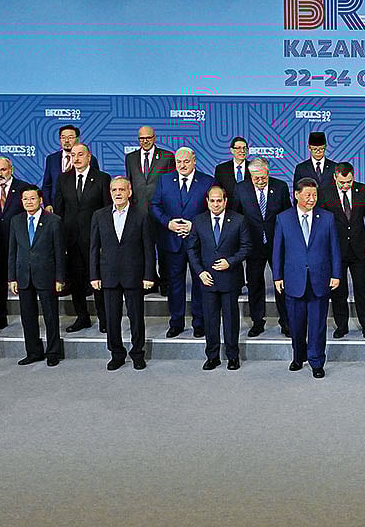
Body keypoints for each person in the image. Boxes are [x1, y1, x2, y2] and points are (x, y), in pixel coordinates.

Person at [273, 178, 342, 379]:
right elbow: (278, 251)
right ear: (296, 195)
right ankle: (298, 357)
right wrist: (277, 276)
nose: (312, 199)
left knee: (318, 324)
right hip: (293, 279)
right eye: (307, 195)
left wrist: (336, 274)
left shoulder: (327, 218)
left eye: (314, 195)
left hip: (320, 279)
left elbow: (334, 249)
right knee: (295, 324)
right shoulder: (283, 218)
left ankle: (316, 361)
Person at [89, 177, 156, 371]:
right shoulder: (99, 216)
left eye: (121, 190)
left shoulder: (141, 215)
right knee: (112, 318)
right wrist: (94, 275)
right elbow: (94, 248)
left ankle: (137, 353)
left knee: (136, 317)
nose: (117, 193)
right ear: (110, 193)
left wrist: (149, 275)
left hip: (134, 275)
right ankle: (116, 354)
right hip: (108, 276)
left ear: (130, 192)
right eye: (114, 190)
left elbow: (148, 249)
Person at [150, 146, 214, 338]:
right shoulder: (165, 180)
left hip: (198, 243)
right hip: (171, 241)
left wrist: (193, 226)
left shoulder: (207, 181)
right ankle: (176, 322)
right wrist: (168, 223)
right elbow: (155, 205)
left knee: (198, 284)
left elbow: (213, 210)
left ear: (194, 161)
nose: (182, 165)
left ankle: (199, 322)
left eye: (186, 161)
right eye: (179, 162)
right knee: (175, 285)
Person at [187, 186, 252, 371]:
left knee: (231, 320)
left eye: (219, 200)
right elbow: (192, 249)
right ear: (207, 202)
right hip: (207, 279)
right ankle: (212, 357)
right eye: (212, 201)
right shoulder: (198, 221)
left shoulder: (239, 220)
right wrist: (200, 272)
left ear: (225, 201)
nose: (215, 204)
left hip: (230, 279)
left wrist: (230, 262)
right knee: (210, 320)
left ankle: (233, 357)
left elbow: (246, 247)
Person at [54, 142, 111, 333]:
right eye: (73, 155)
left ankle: (105, 319)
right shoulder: (63, 179)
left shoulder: (102, 178)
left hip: (95, 240)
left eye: (80, 155)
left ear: (89, 157)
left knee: (98, 281)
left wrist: (105, 240)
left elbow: (107, 211)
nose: (76, 158)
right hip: (71, 240)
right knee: (77, 282)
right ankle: (82, 317)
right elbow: (59, 211)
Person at [231, 157, 291, 337]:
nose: (259, 181)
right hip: (253, 245)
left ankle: (286, 322)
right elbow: (235, 216)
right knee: (255, 284)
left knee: (281, 283)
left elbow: (288, 215)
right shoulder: (241, 189)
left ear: (268, 172)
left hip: (277, 244)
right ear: (250, 175)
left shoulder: (280, 187)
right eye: (255, 178)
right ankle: (258, 322)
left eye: (262, 177)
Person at [8, 187, 65, 366]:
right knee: (28, 317)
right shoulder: (16, 221)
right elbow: (12, 251)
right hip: (23, 275)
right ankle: (33, 352)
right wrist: (12, 278)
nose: (28, 202)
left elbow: (59, 252)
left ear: (40, 199)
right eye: (25, 199)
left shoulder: (53, 221)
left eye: (32, 198)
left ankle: (53, 352)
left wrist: (59, 278)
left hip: (47, 275)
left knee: (50, 315)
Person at [320, 162, 365, 339]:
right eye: (342, 182)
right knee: (338, 290)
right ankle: (341, 325)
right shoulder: (325, 192)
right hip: (336, 251)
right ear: (335, 177)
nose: (346, 185)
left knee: (361, 288)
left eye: (349, 182)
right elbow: (322, 224)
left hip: (359, 249)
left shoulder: (362, 189)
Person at [0, 157, 30, 331]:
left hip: (18, 243)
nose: (0, 174)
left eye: (3, 170)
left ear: (11, 170)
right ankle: (0, 317)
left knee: (23, 283)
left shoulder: (23, 187)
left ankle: (28, 319)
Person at [42, 125, 99, 208]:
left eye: (70, 137)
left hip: (82, 207)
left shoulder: (89, 159)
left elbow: (96, 185)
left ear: (77, 139)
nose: (66, 141)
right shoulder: (51, 159)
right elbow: (47, 185)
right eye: (63, 137)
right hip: (57, 206)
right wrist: (48, 204)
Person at [125, 126, 176, 213]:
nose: (145, 141)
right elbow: (130, 183)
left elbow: (172, 186)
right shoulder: (130, 158)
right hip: (137, 210)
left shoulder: (167, 157)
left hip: (161, 210)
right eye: (142, 138)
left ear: (154, 138)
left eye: (148, 137)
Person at [213, 136, 249, 207]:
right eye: (238, 148)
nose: (242, 151)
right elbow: (218, 190)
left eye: (244, 148)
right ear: (232, 150)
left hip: (249, 210)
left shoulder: (253, 168)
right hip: (229, 210)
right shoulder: (221, 169)